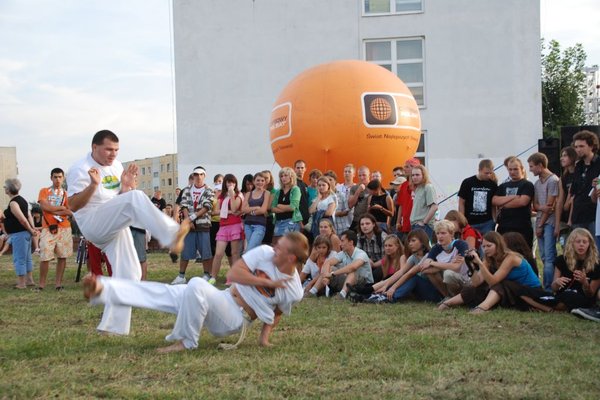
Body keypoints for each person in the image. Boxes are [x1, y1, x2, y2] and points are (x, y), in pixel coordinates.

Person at [83, 231, 308, 353]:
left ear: (291, 258)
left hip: (233, 318)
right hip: (224, 296)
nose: (275, 247)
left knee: (197, 285)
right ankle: (104, 289)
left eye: (281, 248)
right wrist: (267, 284)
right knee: (167, 293)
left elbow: (277, 313)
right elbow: (235, 275)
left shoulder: (294, 290)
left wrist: (264, 339)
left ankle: (187, 342)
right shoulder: (265, 252)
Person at [67, 130, 188, 335]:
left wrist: (125, 187)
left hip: (113, 222)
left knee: (132, 273)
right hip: (93, 222)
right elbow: (73, 205)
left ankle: (112, 326)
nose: (113, 154)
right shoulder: (80, 169)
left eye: (116, 150)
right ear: (94, 147)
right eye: (108, 149)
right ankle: (171, 235)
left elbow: (117, 199)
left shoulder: (115, 165)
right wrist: (93, 186)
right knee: (136, 198)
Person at [438, 232, 542, 314]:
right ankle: (448, 303)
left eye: (489, 245)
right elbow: (476, 283)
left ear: (498, 245)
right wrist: (471, 266)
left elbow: (493, 282)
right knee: (475, 288)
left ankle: (482, 308)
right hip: (512, 292)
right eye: (483, 247)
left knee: (500, 284)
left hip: (530, 293)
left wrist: (480, 263)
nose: (486, 249)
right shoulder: (489, 259)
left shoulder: (511, 257)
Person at [171, 166, 214, 285]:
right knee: (185, 252)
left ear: (204, 176)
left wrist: (192, 218)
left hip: (203, 225)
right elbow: (183, 205)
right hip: (189, 226)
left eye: (201, 174)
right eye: (196, 174)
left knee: (205, 252)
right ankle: (181, 276)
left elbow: (207, 207)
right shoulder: (187, 190)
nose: (198, 177)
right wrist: (188, 220)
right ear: (193, 176)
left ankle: (206, 274)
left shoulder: (209, 190)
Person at [370, 229, 441, 303]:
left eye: (413, 241)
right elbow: (401, 272)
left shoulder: (429, 255)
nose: (410, 244)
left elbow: (410, 273)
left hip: (435, 293)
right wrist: (386, 285)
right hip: (422, 291)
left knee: (414, 278)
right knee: (401, 277)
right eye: (409, 241)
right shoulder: (414, 257)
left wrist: (393, 288)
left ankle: (391, 298)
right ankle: (380, 294)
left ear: (422, 242)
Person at [37, 167, 73, 291]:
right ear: (51, 178)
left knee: (62, 256)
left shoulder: (67, 193)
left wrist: (58, 209)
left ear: (63, 178)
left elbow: (71, 211)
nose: (57, 179)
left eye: (60, 177)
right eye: (55, 177)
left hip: (64, 227)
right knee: (45, 256)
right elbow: (44, 206)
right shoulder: (44, 191)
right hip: (48, 227)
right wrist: (61, 209)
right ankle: (41, 285)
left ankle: (58, 284)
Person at [310, 230, 373, 299]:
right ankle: (312, 292)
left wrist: (332, 274)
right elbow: (328, 262)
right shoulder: (343, 253)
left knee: (352, 272)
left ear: (351, 242)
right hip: (350, 283)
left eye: (342, 241)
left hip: (365, 285)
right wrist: (326, 277)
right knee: (331, 267)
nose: (340, 244)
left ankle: (342, 295)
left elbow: (353, 267)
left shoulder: (361, 254)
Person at [528, 152, 559, 291]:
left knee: (549, 256)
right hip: (540, 219)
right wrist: (542, 207)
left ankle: (548, 288)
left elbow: (550, 207)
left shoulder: (553, 180)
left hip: (548, 223)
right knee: (544, 257)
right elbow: (536, 205)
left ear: (540, 165)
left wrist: (540, 225)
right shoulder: (536, 182)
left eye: (532, 166)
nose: (530, 169)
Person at [419, 220, 470, 297]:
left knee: (448, 273)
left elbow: (456, 267)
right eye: (437, 233)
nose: (440, 236)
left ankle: (457, 298)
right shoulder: (436, 247)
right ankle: (447, 296)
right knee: (429, 271)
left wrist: (432, 263)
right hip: (451, 278)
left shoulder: (461, 244)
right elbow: (424, 268)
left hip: (466, 280)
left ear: (452, 234)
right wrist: (446, 265)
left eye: (443, 233)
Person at [2, 178, 38, 289]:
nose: (4, 188)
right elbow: (28, 216)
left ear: (8, 189)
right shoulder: (23, 200)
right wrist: (32, 229)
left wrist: (31, 230)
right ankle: (29, 280)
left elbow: (22, 219)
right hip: (24, 234)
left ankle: (22, 283)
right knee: (27, 258)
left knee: (19, 258)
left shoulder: (13, 203)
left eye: (5, 187)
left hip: (19, 234)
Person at [492, 157, 535, 248]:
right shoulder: (503, 186)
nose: (512, 172)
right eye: (510, 169)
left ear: (522, 169)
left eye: (515, 169)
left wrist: (503, 203)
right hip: (504, 227)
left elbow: (523, 202)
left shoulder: (527, 184)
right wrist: (513, 197)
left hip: (522, 228)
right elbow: (495, 200)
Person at [211, 174, 244, 284]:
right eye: (228, 182)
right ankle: (213, 277)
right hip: (223, 226)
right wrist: (230, 212)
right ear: (225, 183)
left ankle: (234, 278)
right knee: (218, 253)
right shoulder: (221, 196)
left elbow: (235, 208)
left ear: (235, 183)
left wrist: (232, 195)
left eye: (232, 182)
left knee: (234, 253)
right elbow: (216, 211)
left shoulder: (239, 195)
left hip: (235, 225)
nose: (230, 184)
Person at [570, 131, 600, 238]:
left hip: (594, 215)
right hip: (578, 215)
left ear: (591, 146)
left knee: (595, 250)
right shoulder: (578, 166)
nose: (578, 149)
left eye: (581, 146)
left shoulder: (598, 163)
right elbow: (574, 193)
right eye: (576, 146)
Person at [457, 159, 497, 234]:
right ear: (479, 170)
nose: (488, 175)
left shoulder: (493, 185)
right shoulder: (467, 182)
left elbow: (493, 205)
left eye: (490, 173)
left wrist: (494, 220)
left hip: (487, 222)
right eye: (486, 173)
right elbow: (461, 202)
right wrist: (462, 219)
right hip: (470, 222)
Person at [271, 167, 302, 244]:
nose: (283, 178)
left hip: (291, 221)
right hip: (278, 221)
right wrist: (284, 208)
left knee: (287, 246)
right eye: (281, 176)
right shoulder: (278, 191)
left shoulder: (295, 189)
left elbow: (292, 207)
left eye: (286, 175)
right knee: (276, 244)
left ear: (291, 177)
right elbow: (272, 208)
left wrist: (279, 205)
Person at [554, 146, 577, 245]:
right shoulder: (563, 178)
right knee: (565, 247)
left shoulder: (578, 175)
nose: (561, 158)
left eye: (565, 156)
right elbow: (560, 201)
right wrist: (557, 223)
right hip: (564, 218)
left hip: (575, 217)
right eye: (561, 156)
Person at [242, 172, 270, 252]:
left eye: (262, 180)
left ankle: (244, 264)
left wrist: (250, 211)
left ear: (265, 182)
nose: (260, 182)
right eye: (258, 180)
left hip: (259, 226)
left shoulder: (266, 193)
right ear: (254, 181)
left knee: (249, 250)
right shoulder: (248, 194)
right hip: (248, 225)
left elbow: (263, 210)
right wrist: (256, 207)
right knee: (254, 251)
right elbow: (243, 209)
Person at [356, 213, 387, 283]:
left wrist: (374, 265)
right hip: (367, 263)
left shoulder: (382, 237)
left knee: (378, 272)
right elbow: (358, 254)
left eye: (367, 223)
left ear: (373, 224)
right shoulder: (359, 237)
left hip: (382, 265)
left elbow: (387, 258)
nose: (364, 226)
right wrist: (367, 260)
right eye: (362, 224)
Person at [410, 164, 438, 239]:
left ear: (423, 175)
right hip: (416, 225)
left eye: (417, 175)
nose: (414, 177)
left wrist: (424, 222)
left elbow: (434, 207)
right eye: (412, 175)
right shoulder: (418, 188)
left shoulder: (428, 187)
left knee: (423, 249)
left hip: (424, 226)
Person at [395, 158, 420, 239]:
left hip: (417, 224)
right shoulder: (404, 185)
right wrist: (398, 222)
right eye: (405, 166)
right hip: (405, 224)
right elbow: (401, 205)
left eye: (407, 167)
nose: (404, 169)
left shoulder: (421, 186)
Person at [348, 166, 371, 232]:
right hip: (356, 219)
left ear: (369, 175)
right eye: (359, 175)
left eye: (364, 175)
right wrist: (358, 191)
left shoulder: (373, 187)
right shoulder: (354, 188)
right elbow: (350, 205)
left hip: (369, 220)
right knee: (349, 237)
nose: (361, 177)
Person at [333, 164, 354, 235]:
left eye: (349, 172)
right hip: (339, 221)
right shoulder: (338, 187)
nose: (347, 173)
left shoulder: (356, 187)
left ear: (354, 174)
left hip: (352, 219)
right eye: (345, 171)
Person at [294, 160, 311, 227]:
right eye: (298, 168)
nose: (300, 170)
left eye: (302, 168)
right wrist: (299, 221)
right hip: (297, 220)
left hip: (306, 218)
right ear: (294, 169)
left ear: (305, 169)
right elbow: (295, 204)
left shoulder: (305, 185)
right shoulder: (293, 184)